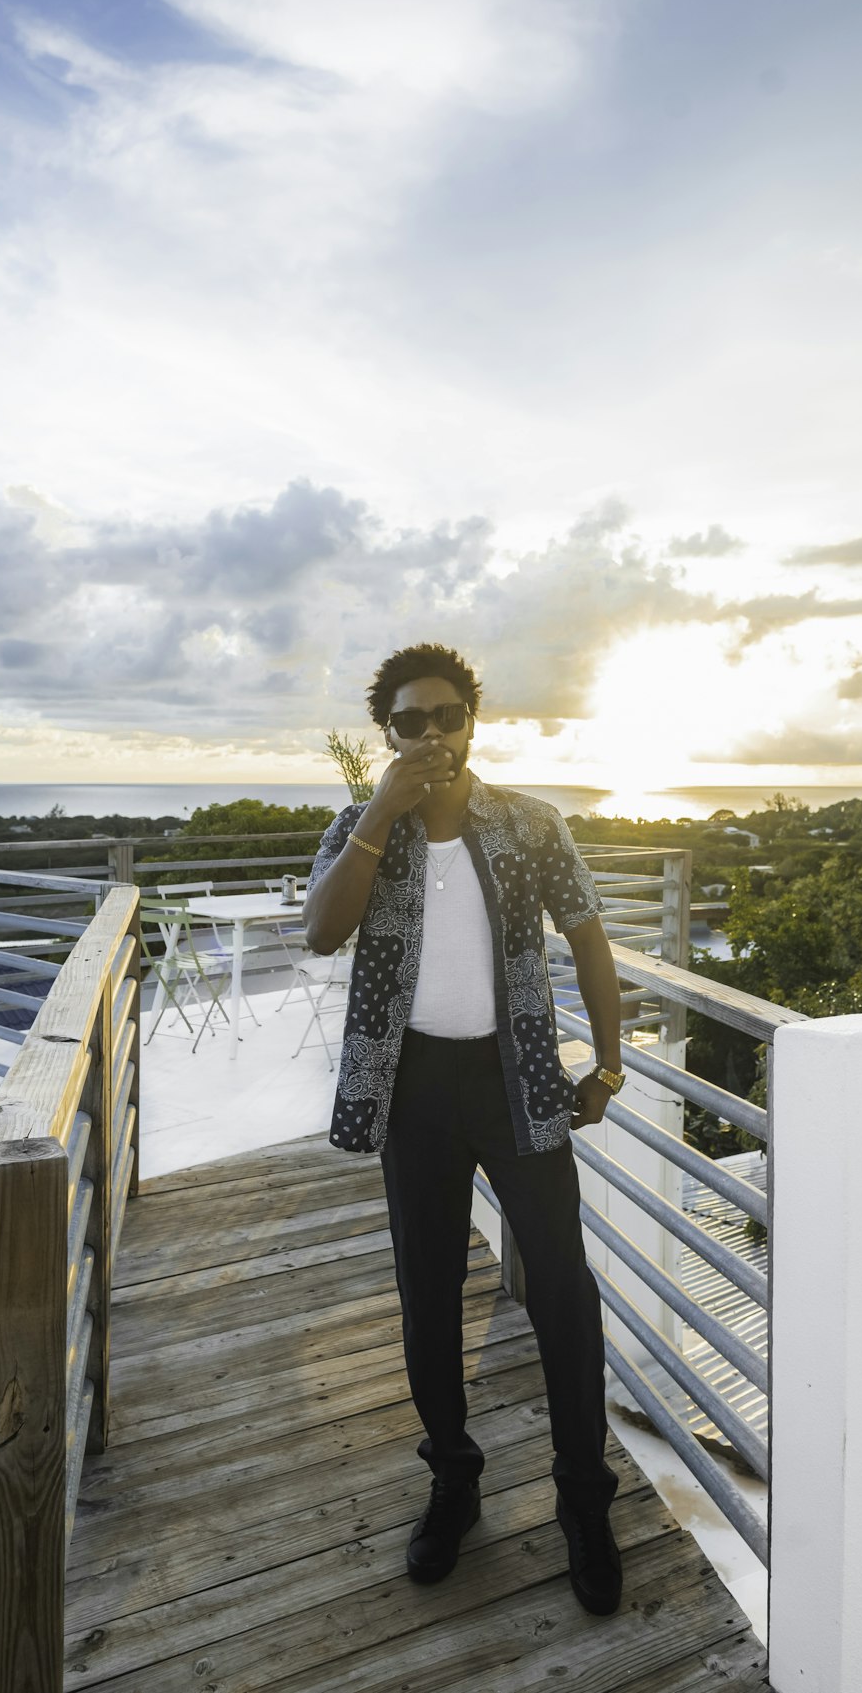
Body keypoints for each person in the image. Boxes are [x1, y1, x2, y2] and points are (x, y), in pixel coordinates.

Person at [303, 642, 626, 1615]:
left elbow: (588, 935)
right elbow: (321, 931)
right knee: (427, 1289)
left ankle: (583, 1496)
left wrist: (605, 1061)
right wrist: (379, 813)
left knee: (562, 1290)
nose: (432, 733)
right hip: (414, 1087)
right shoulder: (363, 827)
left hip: (517, 1075)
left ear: (473, 720)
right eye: (410, 720)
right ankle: (453, 1476)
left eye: (447, 715)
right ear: (388, 733)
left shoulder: (529, 823)